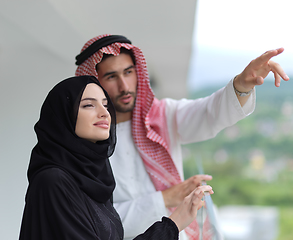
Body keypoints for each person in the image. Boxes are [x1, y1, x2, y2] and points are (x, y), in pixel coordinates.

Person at [75, 34, 289, 240]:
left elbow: (209, 113)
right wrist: (165, 199)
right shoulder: (82, 143)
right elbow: (94, 220)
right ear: (94, 84)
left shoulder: (163, 116)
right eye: (112, 77)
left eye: (129, 72)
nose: (124, 86)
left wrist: (242, 85)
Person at [18, 75, 214, 240]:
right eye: (88, 105)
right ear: (63, 117)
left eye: (105, 104)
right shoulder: (54, 182)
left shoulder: (94, 178)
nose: (104, 113)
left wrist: (174, 225)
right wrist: (172, 225)